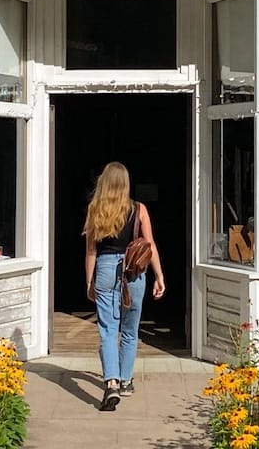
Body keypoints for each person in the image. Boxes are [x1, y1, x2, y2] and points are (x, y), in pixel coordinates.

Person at [82, 162, 165, 412]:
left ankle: (111, 382)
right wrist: (159, 275)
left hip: (106, 267)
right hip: (134, 269)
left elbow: (91, 250)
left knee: (108, 329)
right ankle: (126, 380)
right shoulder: (139, 209)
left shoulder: (95, 209)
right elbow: (149, 245)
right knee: (130, 327)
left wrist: (89, 281)